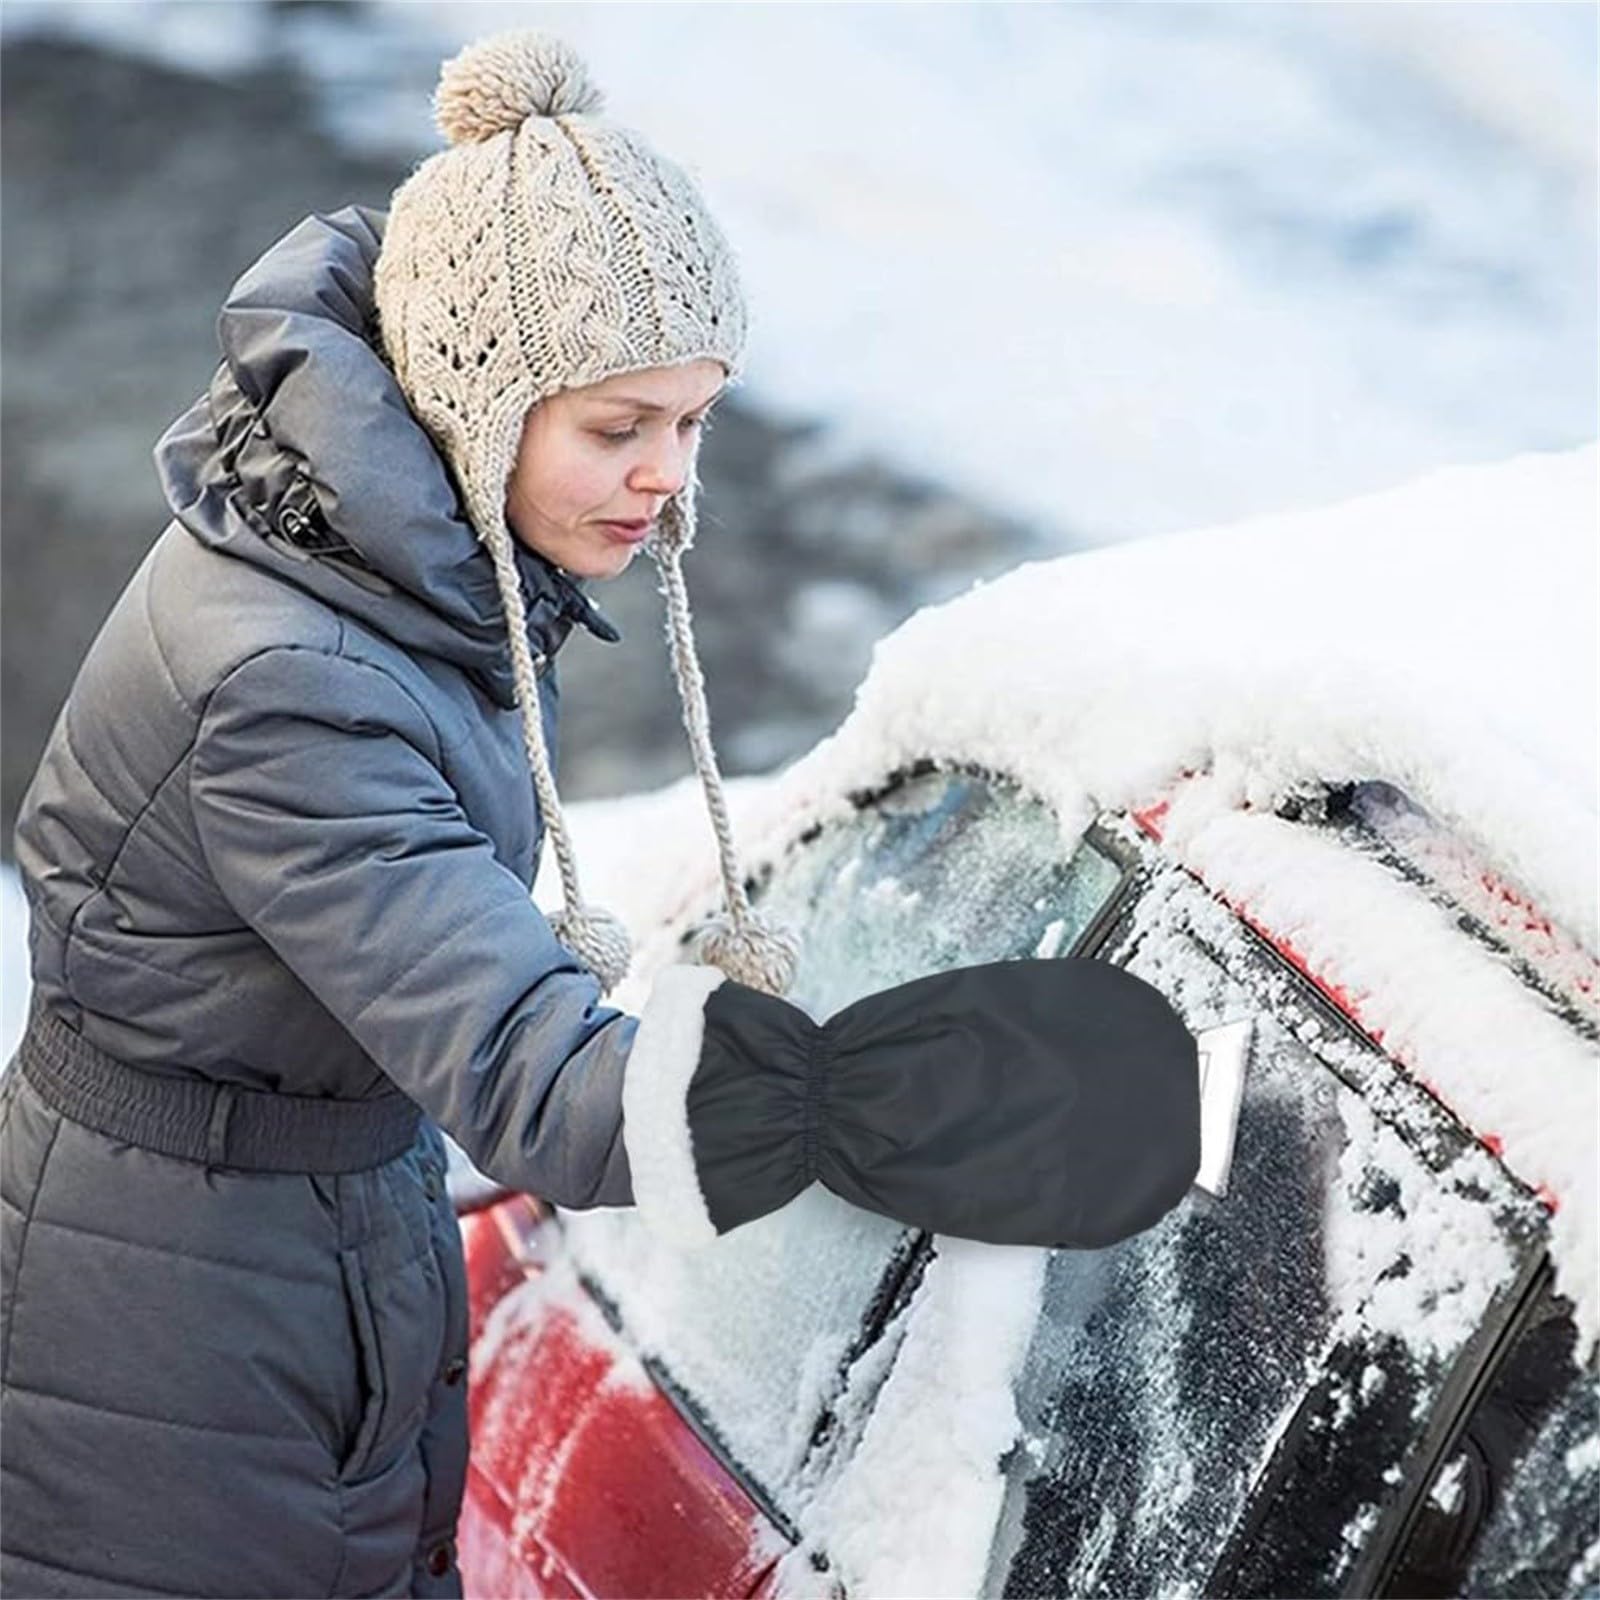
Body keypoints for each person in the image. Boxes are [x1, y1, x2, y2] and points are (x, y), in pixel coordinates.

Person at [0, 29, 1200, 1598]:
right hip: (173, 1333)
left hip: (302, 1242)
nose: (663, 479)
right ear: (470, 399)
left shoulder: (399, 554)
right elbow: (538, 1080)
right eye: (617, 428)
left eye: (693, 422)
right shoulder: (297, 676)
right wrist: (890, 1101)